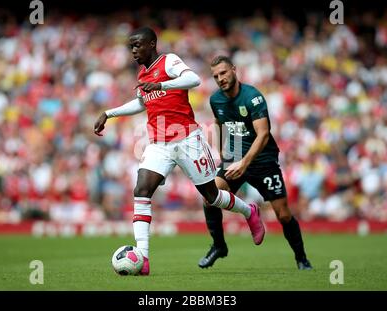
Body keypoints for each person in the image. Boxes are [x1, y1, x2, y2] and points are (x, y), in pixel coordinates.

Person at [93, 27, 265, 276]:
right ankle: (143, 257)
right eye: (131, 46)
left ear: (151, 44)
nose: (133, 51)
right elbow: (141, 103)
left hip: (187, 139)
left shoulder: (169, 61)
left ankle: (249, 211)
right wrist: (109, 113)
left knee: (212, 196)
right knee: (141, 190)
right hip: (158, 143)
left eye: (137, 45)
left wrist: (161, 83)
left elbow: (193, 79)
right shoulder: (143, 75)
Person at [198, 55, 312, 270]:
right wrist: (223, 150)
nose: (220, 78)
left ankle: (301, 258)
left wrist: (244, 163)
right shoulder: (215, 100)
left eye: (223, 73)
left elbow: (263, 134)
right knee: (209, 197)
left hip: (262, 161)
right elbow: (218, 122)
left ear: (234, 69)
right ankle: (219, 246)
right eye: (216, 76)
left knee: (283, 214)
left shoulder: (253, 97)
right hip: (234, 159)